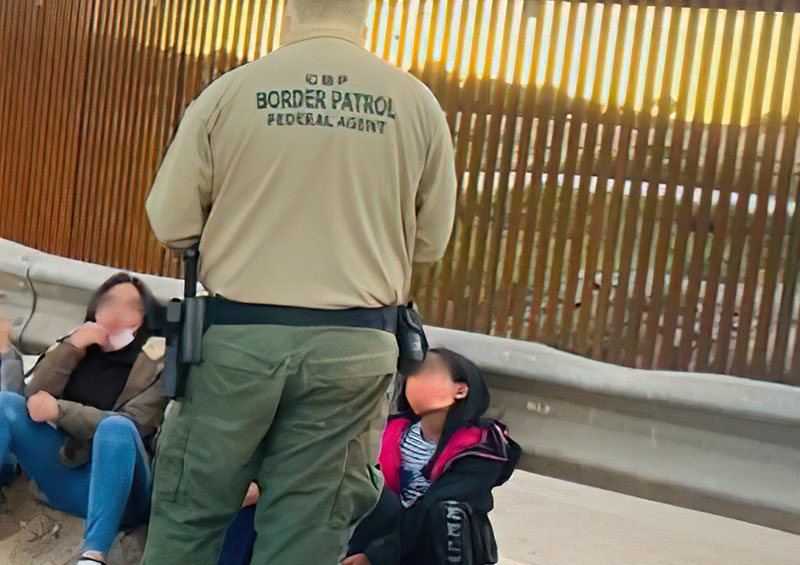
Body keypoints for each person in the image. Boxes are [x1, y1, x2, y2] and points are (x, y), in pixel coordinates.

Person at [141, 0, 457, 561]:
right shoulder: (417, 104)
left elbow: (172, 222)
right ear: (365, 16)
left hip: (238, 340)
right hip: (356, 349)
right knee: (308, 534)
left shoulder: (230, 93)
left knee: (189, 518)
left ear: (288, 13)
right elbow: (429, 244)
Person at [0, 273, 167, 565]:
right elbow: (34, 401)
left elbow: (137, 423)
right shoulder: (76, 349)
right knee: (7, 403)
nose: (117, 313)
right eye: (109, 303)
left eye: (131, 307)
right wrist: (72, 348)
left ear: (144, 318)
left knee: (115, 427)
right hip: (64, 475)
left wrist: (61, 411)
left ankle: (93, 555)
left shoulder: (157, 364)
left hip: (121, 491)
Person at [342, 348, 521, 565]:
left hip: (437, 551)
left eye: (427, 373)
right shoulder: (390, 434)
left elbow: (432, 509)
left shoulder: (480, 448)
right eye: (413, 372)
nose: (414, 380)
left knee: (447, 511)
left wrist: (375, 557)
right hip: (387, 546)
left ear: (460, 390)